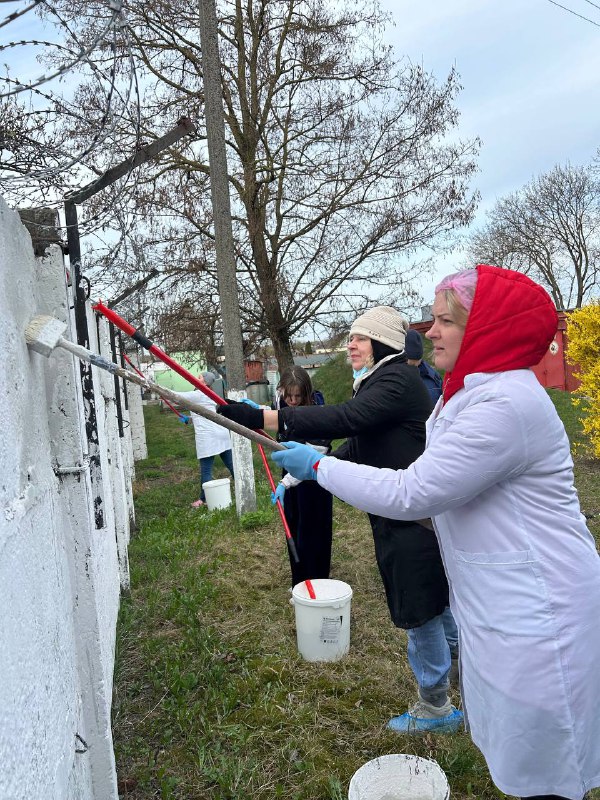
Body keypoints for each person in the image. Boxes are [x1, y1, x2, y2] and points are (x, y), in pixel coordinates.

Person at [269, 265, 600, 800]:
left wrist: (319, 467)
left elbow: (413, 491)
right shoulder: (469, 393)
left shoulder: (505, 405)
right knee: (519, 747)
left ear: (487, 329)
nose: (430, 331)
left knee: (548, 762)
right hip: (504, 599)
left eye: (447, 321)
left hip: (542, 607)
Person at [219, 307, 462, 733]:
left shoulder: (396, 380)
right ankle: (463, 677)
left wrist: (266, 418)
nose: (351, 344)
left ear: (382, 344)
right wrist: (299, 475)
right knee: (436, 603)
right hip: (406, 515)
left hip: (412, 519)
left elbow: (347, 418)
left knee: (421, 609)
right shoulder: (381, 380)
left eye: (360, 338)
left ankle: (436, 706)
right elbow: (358, 444)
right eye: (351, 337)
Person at [270, 367, 333, 586]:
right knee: (294, 526)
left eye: (298, 396)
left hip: (314, 478)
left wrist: (285, 482)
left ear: (307, 393)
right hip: (290, 476)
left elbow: (316, 455)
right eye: (289, 396)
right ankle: (299, 583)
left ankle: (317, 582)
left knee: (313, 531)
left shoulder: (318, 411)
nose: (293, 401)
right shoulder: (280, 403)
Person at [177, 371, 234, 508]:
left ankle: (203, 499)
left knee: (206, 470)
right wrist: (189, 419)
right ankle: (243, 484)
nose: (196, 378)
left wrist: (157, 389)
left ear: (205, 382)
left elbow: (178, 396)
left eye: (200, 377)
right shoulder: (207, 394)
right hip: (221, 434)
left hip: (209, 437)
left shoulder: (199, 394)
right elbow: (204, 414)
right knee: (231, 465)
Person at [404, 328, 443, 404]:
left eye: (416, 362)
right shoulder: (392, 378)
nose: (414, 368)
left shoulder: (433, 377)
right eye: (410, 364)